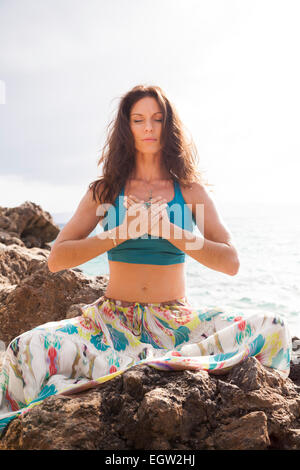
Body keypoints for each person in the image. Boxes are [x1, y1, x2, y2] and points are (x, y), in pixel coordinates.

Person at [0, 85, 292, 434]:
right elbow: (57, 259)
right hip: (110, 322)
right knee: (23, 348)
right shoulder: (105, 190)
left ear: (169, 126)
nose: (149, 127)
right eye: (139, 120)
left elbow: (231, 263)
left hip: (176, 323)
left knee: (274, 327)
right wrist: (120, 232)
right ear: (128, 127)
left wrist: (172, 231)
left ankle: (160, 361)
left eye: (157, 119)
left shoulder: (191, 191)